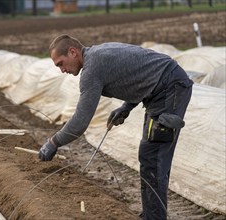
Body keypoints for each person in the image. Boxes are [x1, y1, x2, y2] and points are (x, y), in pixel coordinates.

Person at [38, 34, 193, 220]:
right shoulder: (97, 54)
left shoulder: (92, 69)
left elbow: (80, 121)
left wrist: (54, 142)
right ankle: (152, 214)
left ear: (73, 52)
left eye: (60, 63)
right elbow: (137, 72)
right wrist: (126, 107)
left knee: (153, 156)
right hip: (162, 88)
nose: (62, 70)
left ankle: (155, 217)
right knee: (150, 156)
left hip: (169, 89)